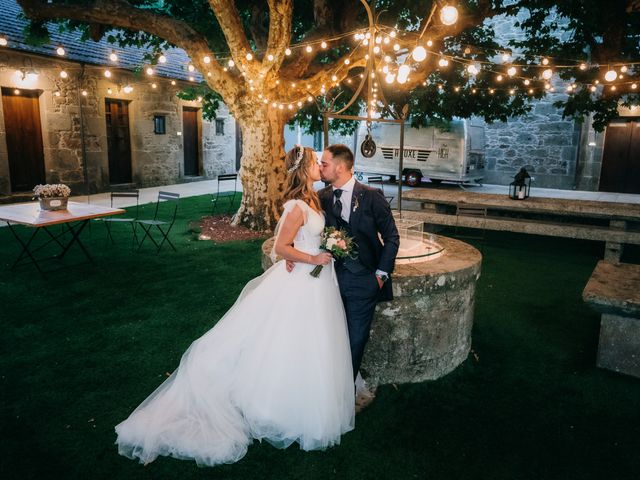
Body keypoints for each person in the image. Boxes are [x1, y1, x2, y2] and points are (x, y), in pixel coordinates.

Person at [115, 145, 354, 467]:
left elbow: (297, 242)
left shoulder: (315, 198)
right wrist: (311, 257)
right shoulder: (296, 205)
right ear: (305, 168)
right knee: (288, 340)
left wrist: (320, 249)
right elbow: (281, 246)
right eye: (316, 162)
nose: (320, 166)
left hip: (318, 282)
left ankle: (305, 399)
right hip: (304, 280)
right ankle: (273, 405)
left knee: (311, 343)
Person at [291, 144, 400, 384]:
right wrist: (292, 256)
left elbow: (392, 238)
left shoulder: (372, 196)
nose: (320, 167)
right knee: (329, 337)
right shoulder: (321, 198)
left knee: (355, 339)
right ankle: (325, 388)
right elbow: (304, 231)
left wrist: (381, 275)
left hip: (365, 280)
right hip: (329, 280)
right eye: (319, 163)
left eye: (325, 163)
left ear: (340, 167)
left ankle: (344, 392)